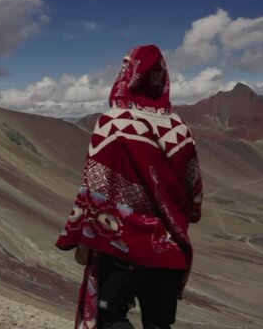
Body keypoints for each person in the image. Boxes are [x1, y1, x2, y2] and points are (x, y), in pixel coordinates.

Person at [56, 44, 203, 329]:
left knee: (111, 320)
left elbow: (93, 185)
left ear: (126, 75)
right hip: (168, 249)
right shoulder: (179, 129)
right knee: (159, 324)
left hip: (119, 248)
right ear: (162, 79)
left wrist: (79, 233)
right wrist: (185, 215)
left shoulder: (112, 123)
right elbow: (193, 189)